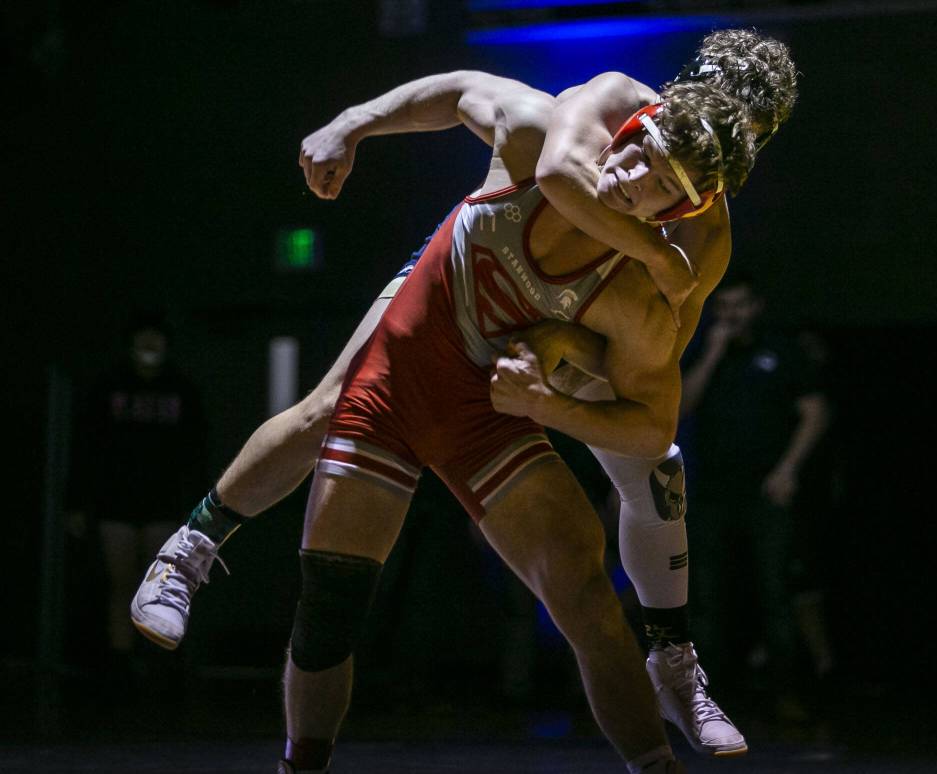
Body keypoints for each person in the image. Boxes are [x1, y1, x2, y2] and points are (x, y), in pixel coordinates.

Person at [129, 30, 796, 766]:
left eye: (668, 185)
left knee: (648, 484)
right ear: (665, 101)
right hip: (439, 312)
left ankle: (672, 661)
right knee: (326, 420)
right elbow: (478, 105)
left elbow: (653, 383)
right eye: (641, 150)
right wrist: (351, 121)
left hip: (527, 364)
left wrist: (560, 374)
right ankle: (190, 548)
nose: (636, 174)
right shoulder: (592, 114)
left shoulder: (691, 246)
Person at [681, 273, 829, 719]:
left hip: (766, 488)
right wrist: (712, 354)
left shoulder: (781, 351)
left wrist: (788, 468)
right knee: (706, 593)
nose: (732, 315)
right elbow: (681, 408)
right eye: (724, 307)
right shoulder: (703, 351)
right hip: (711, 491)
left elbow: (816, 412)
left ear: (756, 307)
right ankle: (709, 697)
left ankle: (786, 690)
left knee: (774, 588)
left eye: (740, 306)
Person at [65, 311, 206, 667]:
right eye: (143, 340)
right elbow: (86, 448)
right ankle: (123, 665)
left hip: (163, 502)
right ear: (130, 345)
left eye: (155, 340)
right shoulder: (108, 387)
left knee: (163, 584)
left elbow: (195, 451)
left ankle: (160, 662)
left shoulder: (181, 390)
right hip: (116, 502)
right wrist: (77, 503)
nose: (149, 347)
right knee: (121, 583)